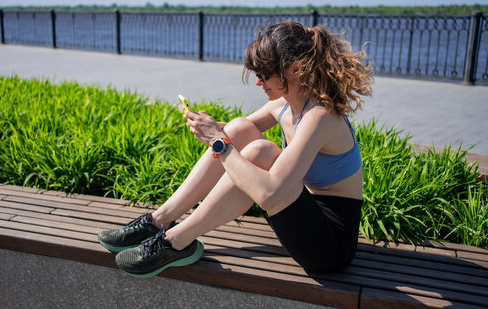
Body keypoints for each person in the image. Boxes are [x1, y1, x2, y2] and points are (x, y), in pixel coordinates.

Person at [98, 20, 373, 277]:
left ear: (295, 69)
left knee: (258, 153)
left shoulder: (320, 117)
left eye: (264, 74)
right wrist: (210, 128)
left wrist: (218, 141)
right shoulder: (285, 105)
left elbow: (269, 193)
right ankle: (159, 220)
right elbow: (233, 132)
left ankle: (176, 241)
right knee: (240, 128)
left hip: (330, 248)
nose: (257, 82)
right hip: (303, 212)